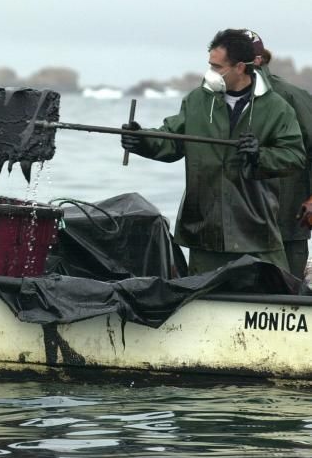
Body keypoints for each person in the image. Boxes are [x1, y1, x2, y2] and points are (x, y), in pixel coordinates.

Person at [121, 28, 305, 275]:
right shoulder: (196, 100)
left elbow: (294, 156)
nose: (211, 72)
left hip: (256, 231)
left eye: (218, 67)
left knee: (273, 296)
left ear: (240, 67)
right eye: (210, 64)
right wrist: (141, 140)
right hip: (203, 230)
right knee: (202, 300)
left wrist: (259, 156)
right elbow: (171, 140)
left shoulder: (276, 108)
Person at [245, 30, 312, 279]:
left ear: (259, 59)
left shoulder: (293, 97)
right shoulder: (217, 99)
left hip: (288, 212)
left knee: (288, 283)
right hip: (239, 220)